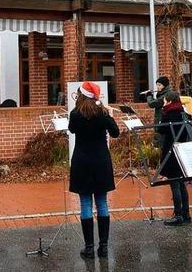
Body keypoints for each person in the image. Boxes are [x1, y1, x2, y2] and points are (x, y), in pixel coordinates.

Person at [68, 81, 120, 259]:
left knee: (85, 203)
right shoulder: (102, 113)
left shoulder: (75, 114)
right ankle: (103, 246)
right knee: (102, 203)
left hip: (82, 160)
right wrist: (109, 114)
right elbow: (115, 133)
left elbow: (71, 129)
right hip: (101, 160)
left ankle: (89, 247)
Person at [158, 90, 192, 226]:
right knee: (182, 184)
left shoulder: (168, 116)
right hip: (182, 152)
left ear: (170, 101)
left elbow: (160, 130)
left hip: (171, 154)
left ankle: (178, 215)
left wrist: (163, 114)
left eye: (165, 101)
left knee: (175, 185)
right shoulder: (186, 115)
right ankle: (186, 214)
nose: (164, 103)